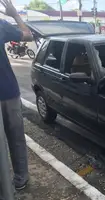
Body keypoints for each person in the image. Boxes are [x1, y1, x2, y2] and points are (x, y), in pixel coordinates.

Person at [0, 0, 33, 191]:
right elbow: (28, 35)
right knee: (16, 137)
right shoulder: (1, 26)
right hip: (8, 93)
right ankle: (20, 178)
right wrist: (15, 15)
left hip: (8, 92)